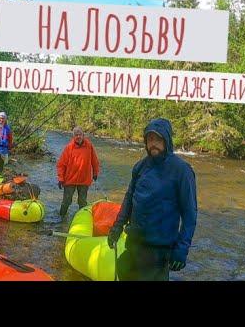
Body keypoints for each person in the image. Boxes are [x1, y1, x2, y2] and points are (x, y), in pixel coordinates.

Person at [107, 118, 197, 281]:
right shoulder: (140, 167)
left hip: (158, 252)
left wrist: (182, 249)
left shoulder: (182, 171)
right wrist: (117, 227)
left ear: (167, 140)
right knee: (122, 268)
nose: (153, 143)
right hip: (134, 243)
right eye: (150, 139)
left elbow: (190, 214)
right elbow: (129, 199)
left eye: (157, 139)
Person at [56, 126, 100, 217]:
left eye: (80, 134)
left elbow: (94, 161)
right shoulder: (69, 147)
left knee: (82, 202)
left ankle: (82, 219)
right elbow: (61, 164)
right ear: (73, 137)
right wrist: (60, 178)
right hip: (70, 179)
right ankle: (61, 219)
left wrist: (95, 173)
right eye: (76, 135)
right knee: (66, 201)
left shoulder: (89, 146)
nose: (78, 137)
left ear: (83, 135)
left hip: (84, 180)